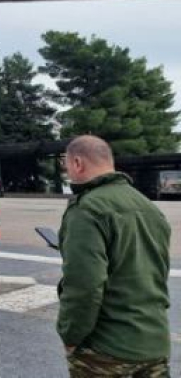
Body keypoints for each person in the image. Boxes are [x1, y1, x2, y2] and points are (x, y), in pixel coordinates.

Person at [58, 135, 171, 377]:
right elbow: (157, 272)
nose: (67, 171)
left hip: (106, 349)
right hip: (155, 343)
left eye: (65, 165)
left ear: (77, 163)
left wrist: (70, 335)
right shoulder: (149, 207)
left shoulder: (87, 209)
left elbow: (84, 286)